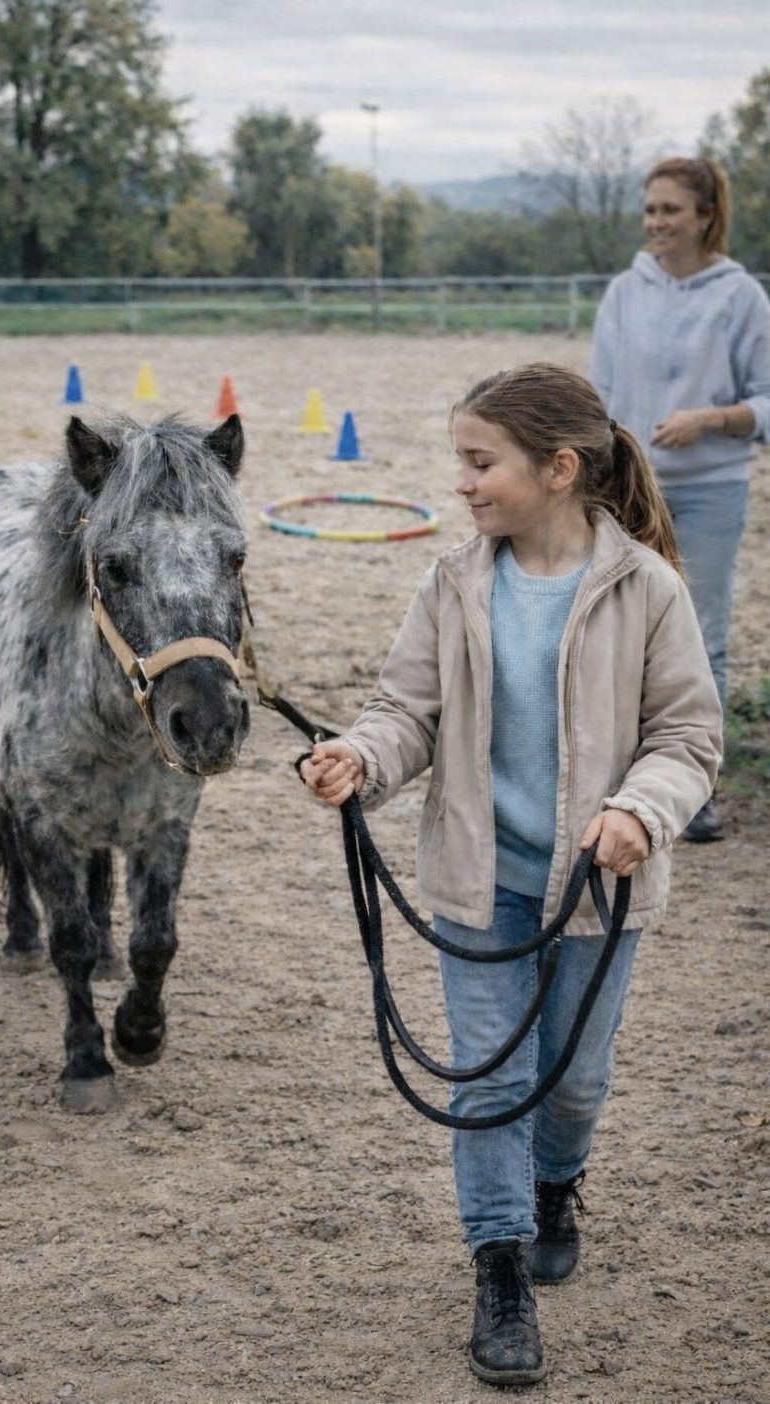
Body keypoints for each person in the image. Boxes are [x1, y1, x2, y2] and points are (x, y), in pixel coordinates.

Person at [299, 363, 722, 1388]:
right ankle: (498, 1269)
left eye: (480, 462)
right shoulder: (451, 584)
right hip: (477, 881)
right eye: (461, 461)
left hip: (595, 888)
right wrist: (359, 756)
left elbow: (685, 736)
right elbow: (404, 711)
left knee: (570, 1082)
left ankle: (555, 1186)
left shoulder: (647, 589)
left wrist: (639, 810)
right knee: (490, 1078)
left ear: (558, 468)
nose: (463, 482)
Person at [590, 155, 770, 842]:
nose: (656, 222)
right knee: (619, 632)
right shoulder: (623, 293)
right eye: (650, 209)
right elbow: (599, 397)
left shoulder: (742, 297)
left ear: (705, 215)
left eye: (670, 210)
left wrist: (711, 419)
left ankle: (694, 790)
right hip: (628, 490)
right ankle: (618, 777)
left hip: (709, 493)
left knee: (702, 637)